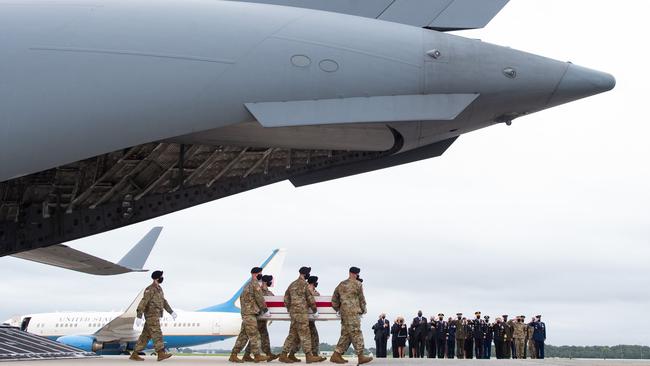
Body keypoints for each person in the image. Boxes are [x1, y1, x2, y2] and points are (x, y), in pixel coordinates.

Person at [130, 270, 176, 362]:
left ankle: (135, 354)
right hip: (151, 316)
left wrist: (171, 312)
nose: (162, 278)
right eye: (161, 276)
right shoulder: (150, 289)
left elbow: (163, 301)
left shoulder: (159, 289)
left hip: (156, 315)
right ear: (157, 278)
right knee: (157, 333)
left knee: (145, 336)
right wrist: (139, 315)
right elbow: (143, 302)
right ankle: (161, 354)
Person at [329, 267, 372, 365]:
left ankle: (336, 355)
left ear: (349, 273)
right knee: (356, 332)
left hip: (344, 313)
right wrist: (363, 310)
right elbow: (362, 299)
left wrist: (339, 309)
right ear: (356, 274)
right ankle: (361, 356)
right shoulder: (358, 284)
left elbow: (334, 299)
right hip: (353, 313)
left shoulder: (341, 284)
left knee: (346, 334)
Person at [279, 267, 321, 364]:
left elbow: (286, 299)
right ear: (305, 274)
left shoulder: (292, 284)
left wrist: (291, 309)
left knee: (292, 334)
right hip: (302, 313)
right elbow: (310, 299)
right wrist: (315, 310)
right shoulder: (305, 285)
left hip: (293, 313)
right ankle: (309, 356)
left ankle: (283, 355)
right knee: (305, 333)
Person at [229, 267, 270, 363]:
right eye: (260, 273)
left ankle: (233, 355)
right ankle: (257, 355)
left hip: (246, 313)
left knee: (243, 336)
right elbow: (259, 298)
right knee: (255, 334)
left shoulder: (247, 285)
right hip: (250, 314)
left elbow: (243, 298)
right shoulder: (255, 284)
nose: (261, 275)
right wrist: (265, 309)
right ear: (255, 274)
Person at [290, 275, 326, 362]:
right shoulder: (305, 288)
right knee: (299, 337)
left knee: (312, 336)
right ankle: (293, 353)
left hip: (308, 318)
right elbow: (310, 297)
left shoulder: (311, 290)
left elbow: (317, 295)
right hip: (303, 316)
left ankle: (314, 354)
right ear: (313, 283)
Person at [243, 275, 278, 362]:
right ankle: (247, 355)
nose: (271, 282)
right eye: (270, 281)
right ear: (265, 282)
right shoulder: (259, 291)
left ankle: (268, 354)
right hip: (258, 318)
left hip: (263, 320)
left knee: (265, 337)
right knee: (255, 337)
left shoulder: (269, 292)